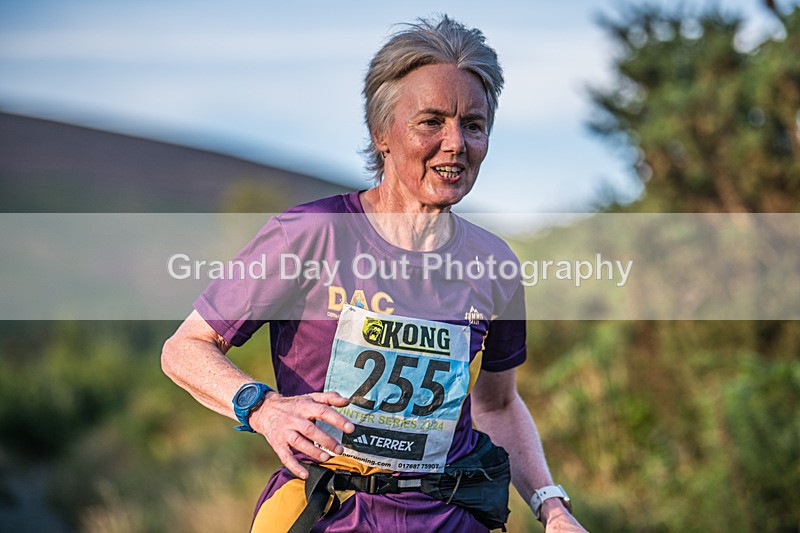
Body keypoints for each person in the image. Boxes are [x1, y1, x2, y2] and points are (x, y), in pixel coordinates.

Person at [162, 15, 588, 533]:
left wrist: (552, 507)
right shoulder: (312, 233)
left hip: (454, 519)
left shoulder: (494, 264)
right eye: (431, 121)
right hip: (331, 514)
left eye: (473, 125)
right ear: (382, 133)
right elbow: (185, 348)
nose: (455, 143)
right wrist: (263, 407)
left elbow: (497, 404)